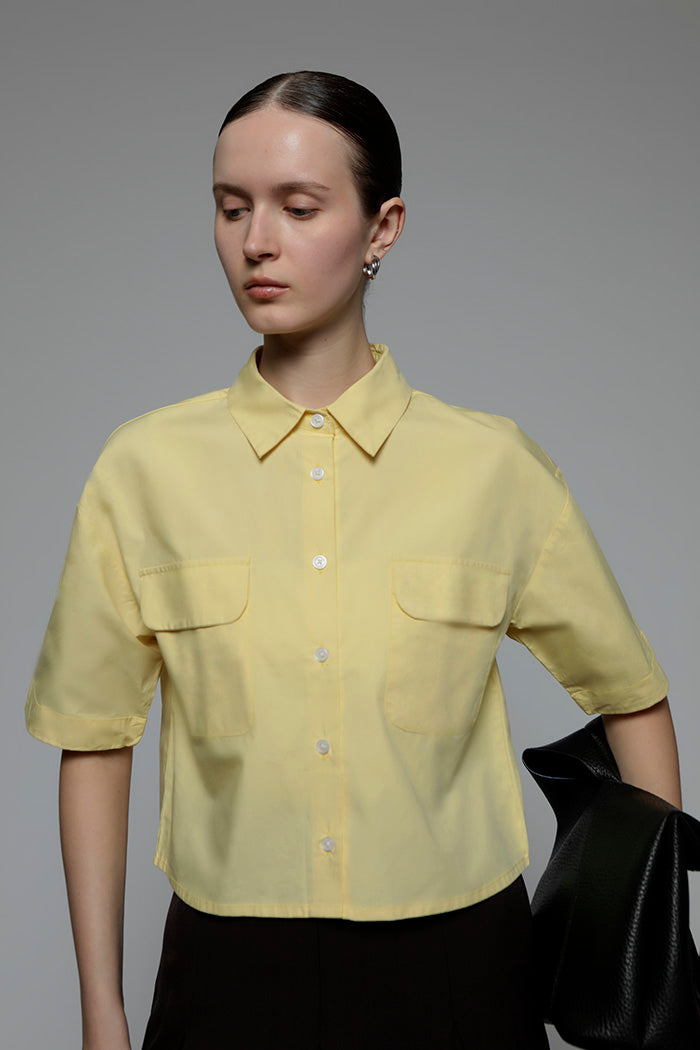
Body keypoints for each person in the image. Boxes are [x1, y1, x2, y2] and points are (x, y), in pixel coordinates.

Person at [25, 70, 682, 1050]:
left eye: (298, 208)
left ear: (383, 228)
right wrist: (101, 1014)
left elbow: (630, 693)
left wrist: (649, 968)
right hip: (226, 974)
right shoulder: (142, 470)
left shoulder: (493, 468)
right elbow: (94, 737)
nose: (257, 241)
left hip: (464, 971)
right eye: (232, 208)